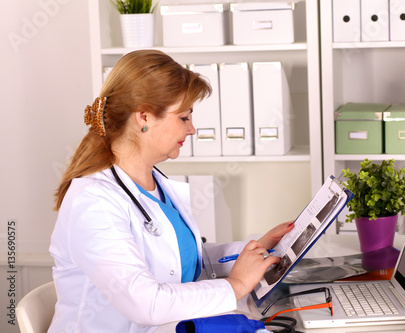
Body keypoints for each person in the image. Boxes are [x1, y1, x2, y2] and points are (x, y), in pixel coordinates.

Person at [49, 50, 294, 332]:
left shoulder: (155, 183)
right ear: (144, 117)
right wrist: (236, 285)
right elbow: (145, 302)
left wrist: (254, 250)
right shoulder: (93, 201)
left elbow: (181, 261)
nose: (191, 129)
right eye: (183, 117)